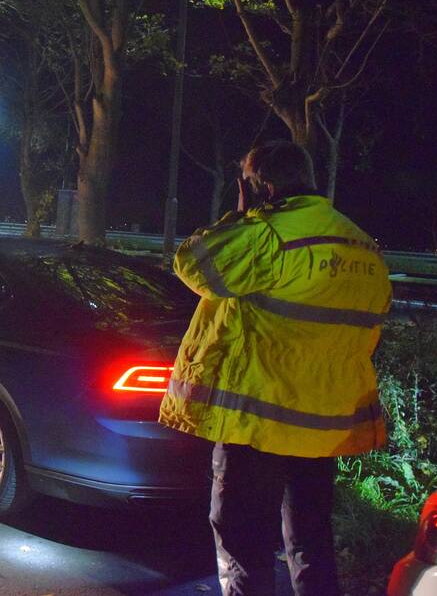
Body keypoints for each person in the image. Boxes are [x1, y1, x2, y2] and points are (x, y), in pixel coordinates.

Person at [158, 140, 391, 595]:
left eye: (244, 183)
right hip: (323, 428)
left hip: (259, 424)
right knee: (311, 541)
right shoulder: (362, 246)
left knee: (243, 541)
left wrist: (244, 213)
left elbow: (192, 263)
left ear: (260, 185)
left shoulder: (268, 233)